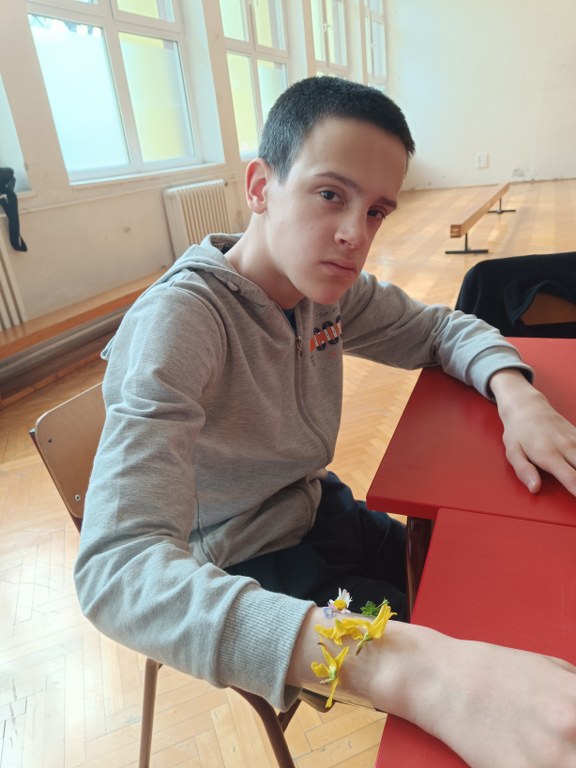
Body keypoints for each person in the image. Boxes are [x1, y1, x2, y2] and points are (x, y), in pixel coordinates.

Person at [74, 76, 576, 767]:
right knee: (474, 652)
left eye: (377, 212)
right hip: (246, 564)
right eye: (331, 195)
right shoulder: (181, 323)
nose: (354, 236)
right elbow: (117, 570)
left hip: (319, 507)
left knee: (480, 586)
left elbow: (440, 329)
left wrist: (519, 398)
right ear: (260, 186)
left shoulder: (323, 291)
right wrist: (408, 670)